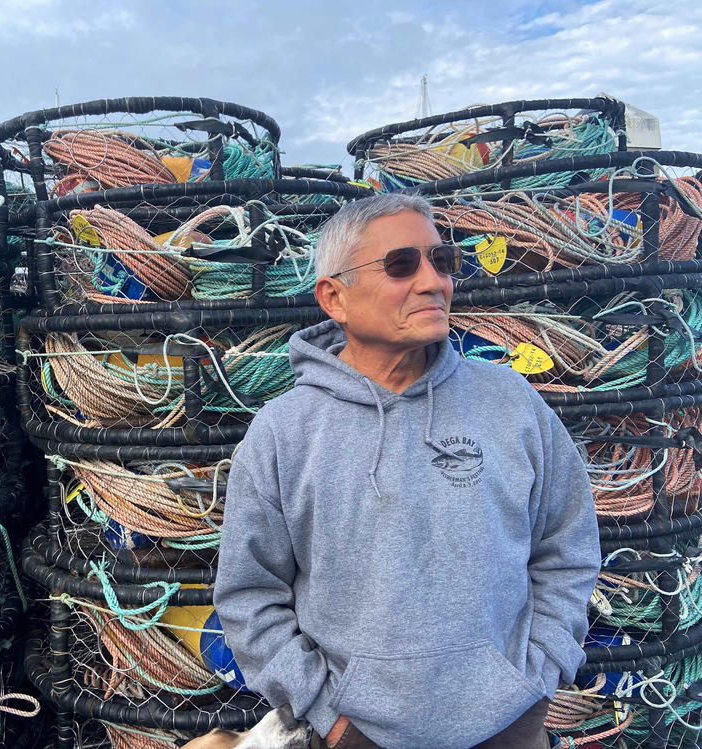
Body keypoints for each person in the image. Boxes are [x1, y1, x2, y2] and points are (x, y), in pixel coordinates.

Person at [212, 194, 601, 749]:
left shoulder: (511, 403)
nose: (432, 281)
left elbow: (569, 548)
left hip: (510, 728)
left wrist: (536, 683)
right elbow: (250, 597)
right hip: (355, 739)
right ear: (334, 298)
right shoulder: (284, 432)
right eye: (401, 265)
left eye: (441, 261)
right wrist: (331, 717)